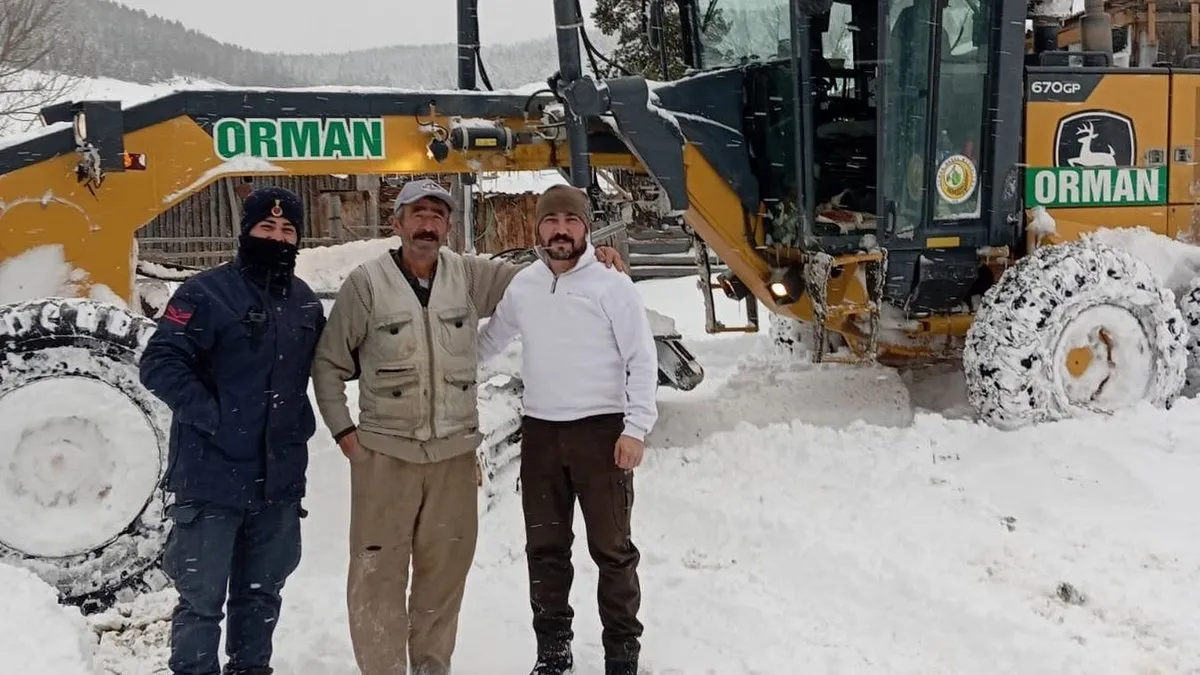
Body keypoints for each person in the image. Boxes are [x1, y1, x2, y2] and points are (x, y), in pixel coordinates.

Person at [309, 178, 624, 675]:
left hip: (454, 457)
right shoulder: (366, 284)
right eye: (418, 213)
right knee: (377, 573)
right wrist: (343, 432)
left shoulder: (470, 276)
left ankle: (432, 668)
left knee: (443, 575)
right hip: (386, 455)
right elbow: (328, 363)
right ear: (398, 223)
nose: (427, 224)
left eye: (437, 215)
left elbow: (541, 273)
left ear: (449, 227)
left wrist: (591, 257)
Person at [139, 186, 326, 675]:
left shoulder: (306, 304)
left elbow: (328, 366)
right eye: (267, 227)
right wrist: (216, 418)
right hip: (210, 478)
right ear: (246, 231)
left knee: (261, 595)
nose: (278, 237)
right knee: (201, 602)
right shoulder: (204, 293)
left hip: (278, 482)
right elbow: (160, 362)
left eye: (288, 230)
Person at [477, 184, 659, 675]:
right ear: (537, 228)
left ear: (585, 227)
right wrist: (442, 365)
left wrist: (636, 427)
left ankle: (622, 654)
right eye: (551, 220)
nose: (561, 229)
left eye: (571, 220)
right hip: (541, 436)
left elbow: (642, 358)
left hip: (601, 436)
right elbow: (489, 342)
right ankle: (552, 652)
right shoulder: (526, 285)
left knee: (613, 551)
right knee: (546, 550)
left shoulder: (610, 284)